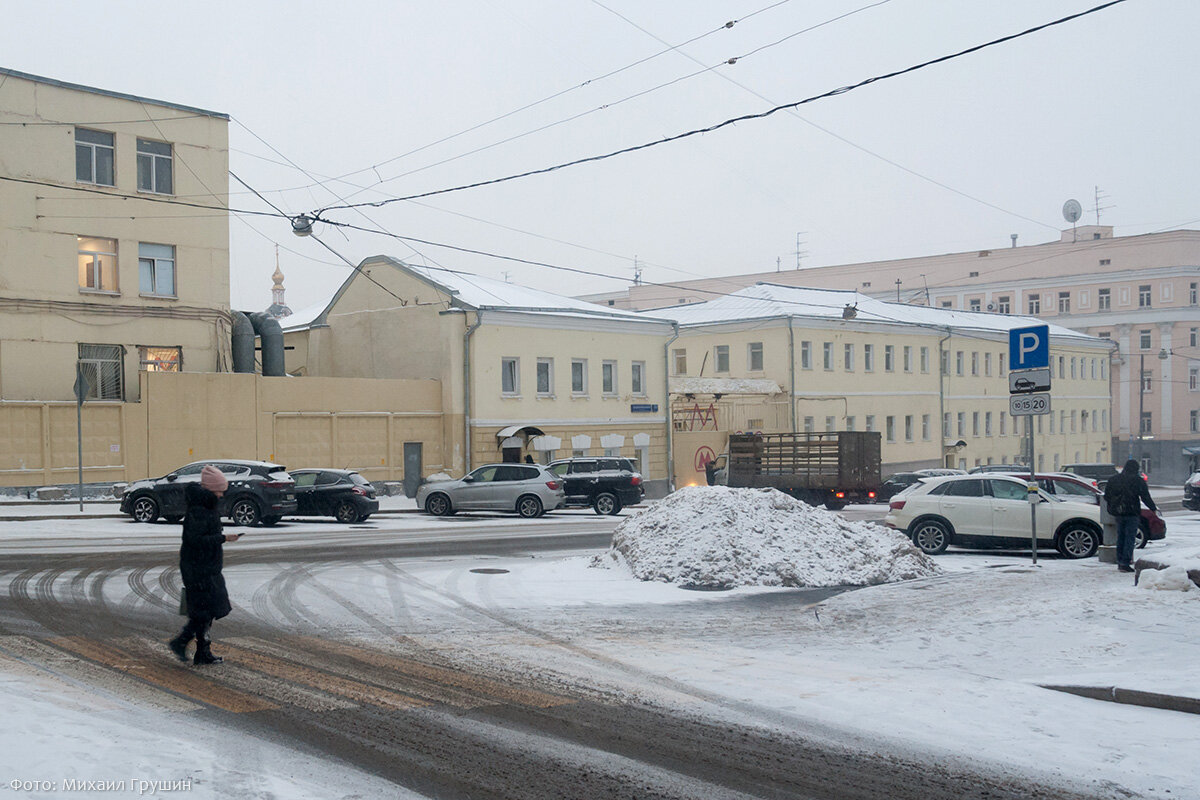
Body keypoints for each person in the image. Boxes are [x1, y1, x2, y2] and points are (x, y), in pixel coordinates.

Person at [168, 465, 241, 665]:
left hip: (206, 567)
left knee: (207, 610)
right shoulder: (200, 510)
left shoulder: (206, 506)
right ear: (209, 489)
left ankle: (201, 651)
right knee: (203, 611)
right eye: (219, 490)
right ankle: (182, 643)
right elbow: (196, 540)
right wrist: (223, 538)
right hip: (198, 569)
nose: (221, 495)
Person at [1102, 459, 1157, 574]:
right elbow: (1145, 496)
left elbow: (1107, 496)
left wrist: (1116, 505)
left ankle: (1120, 560)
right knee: (1129, 538)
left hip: (1119, 512)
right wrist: (1153, 508)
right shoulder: (1138, 481)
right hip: (1132, 512)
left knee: (1121, 537)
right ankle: (1125, 562)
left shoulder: (1114, 479)